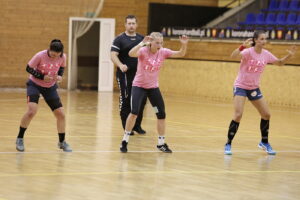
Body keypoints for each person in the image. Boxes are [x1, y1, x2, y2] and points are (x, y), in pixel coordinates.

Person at [224, 30, 297, 155]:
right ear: (256, 40)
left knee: (266, 114)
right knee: (238, 115)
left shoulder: (266, 54)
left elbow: (279, 63)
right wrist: (242, 46)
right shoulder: (248, 52)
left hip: (254, 88)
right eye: (262, 39)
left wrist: (289, 56)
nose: (264, 41)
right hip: (241, 86)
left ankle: (264, 142)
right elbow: (233, 56)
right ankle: (228, 144)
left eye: (265, 39)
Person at [119, 32, 189, 153]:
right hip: (139, 86)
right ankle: (125, 140)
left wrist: (183, 45)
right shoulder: (143, 51)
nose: (159, 45)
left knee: (161, 114)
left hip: (153, 88)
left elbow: (181, 53)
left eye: (161, 42)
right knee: (134, 112)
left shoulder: (163, 52)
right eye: (157, 42)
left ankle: (161, 143)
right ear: (151, 42)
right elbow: (131, 53)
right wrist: (141, 43)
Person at [16, 39, 72, 152]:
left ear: (61, 52)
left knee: (61, 114)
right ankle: (20, 138)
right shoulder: (40, 55)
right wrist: (42, 77)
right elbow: (28, 68)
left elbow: (61, 68)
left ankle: (62, 142)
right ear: (49, 49)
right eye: (52, 54)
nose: (54, 57)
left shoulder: (63, 57)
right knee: (32, 111)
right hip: (35, 85)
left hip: (50, 87)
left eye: (56, 55)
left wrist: (60, 76)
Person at [111, 15, 147, 135]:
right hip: (125, 75)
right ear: (125, 25)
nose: (131, 25)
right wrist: (121, 65)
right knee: (126, 99)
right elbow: (113, 55)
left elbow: (148, 54)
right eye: (129, 23)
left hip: (141, 76)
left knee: (141, 101)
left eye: (133, 23)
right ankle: (127, 128)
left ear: (136, 25)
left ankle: (137, 126)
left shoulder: (142, 39)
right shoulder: (119, 39)